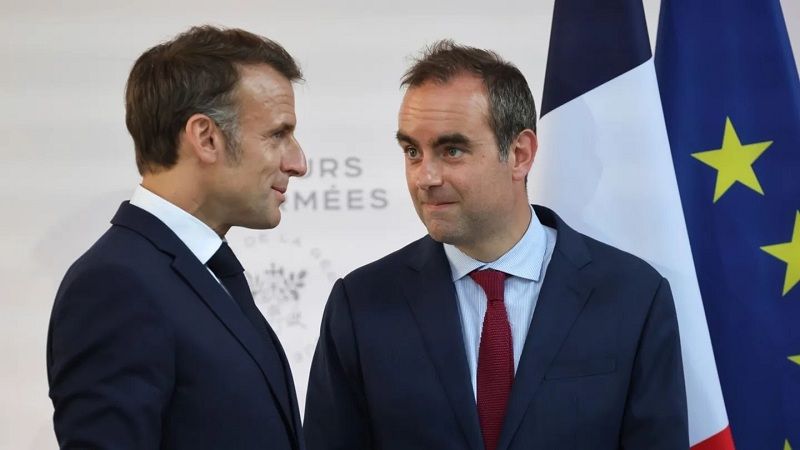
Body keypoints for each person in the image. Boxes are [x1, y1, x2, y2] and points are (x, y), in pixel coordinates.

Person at [304, 40, 688, 450]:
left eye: (452, 150)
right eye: (412, 151)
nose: (424, 177)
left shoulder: (633, 296)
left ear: (519, 154)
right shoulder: (361, 304)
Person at [46, 25, 308, 450]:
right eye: (278, 134)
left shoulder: (200, 272)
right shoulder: (116, 285)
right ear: (206, 137)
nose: (298, 163)